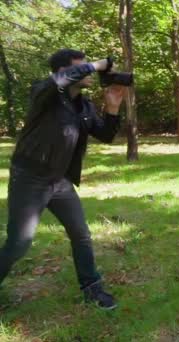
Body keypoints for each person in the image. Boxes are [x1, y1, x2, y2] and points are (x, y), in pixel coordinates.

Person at [0, 49, 127, 310]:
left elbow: (105, 135)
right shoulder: (43, 93)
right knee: (19, 243)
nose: (90, 72)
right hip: (30, 178)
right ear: (63, 72)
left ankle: (93, 289)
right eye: (82, 67)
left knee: (81, 234)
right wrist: (96, 64)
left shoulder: (84, 106)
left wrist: (113, 109)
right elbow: (57, 83)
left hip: (59, 181)